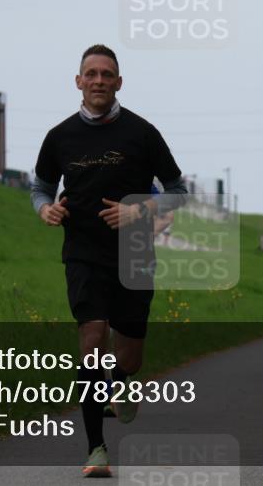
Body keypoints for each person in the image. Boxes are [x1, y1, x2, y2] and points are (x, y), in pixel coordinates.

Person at [31, 45, 188, 477]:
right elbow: (41, 188)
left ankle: (121, 383)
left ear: (119, 82)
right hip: (83, 252)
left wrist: (139, 210)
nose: (99, 80)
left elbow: (178, 190)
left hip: (135, 253)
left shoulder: (142, 133)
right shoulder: (59, 137)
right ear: (78, 81)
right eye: (91, 73)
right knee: (92, 336)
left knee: (130, 358)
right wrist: (46, 210)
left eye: (107, 74)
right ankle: (95, 449)